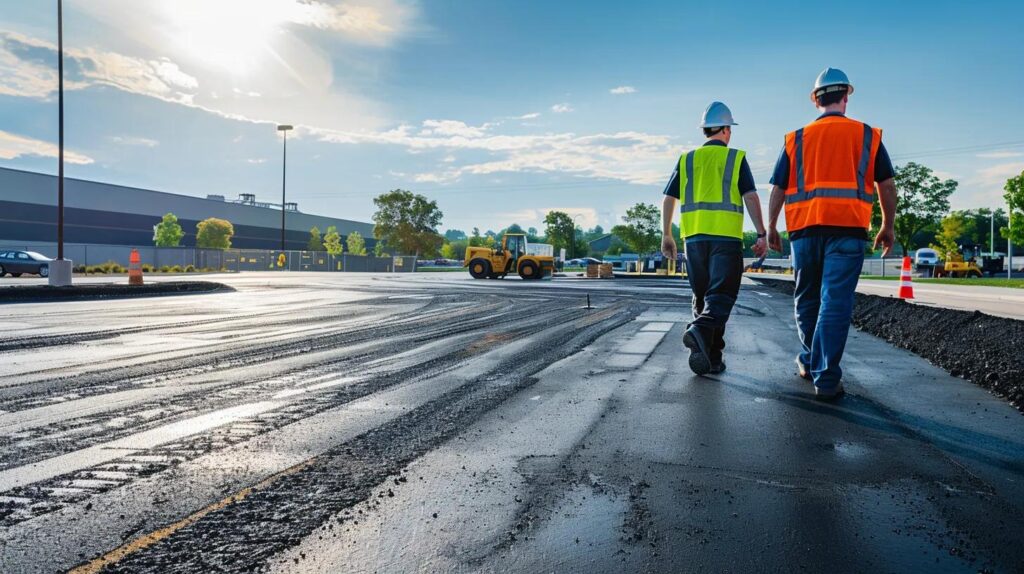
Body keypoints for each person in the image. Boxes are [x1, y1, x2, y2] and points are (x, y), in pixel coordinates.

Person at [766, 68, 897, 399]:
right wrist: (887, 224)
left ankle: (812, 361)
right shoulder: (867, 135)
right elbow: (887, 184)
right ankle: (824, 375)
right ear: (846, 97)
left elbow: (778, 188)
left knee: (807, 299)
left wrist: (770, 227)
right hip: (848, 230)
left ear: (815, 99)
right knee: (834, 302)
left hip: (804, 231)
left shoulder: (795, 139)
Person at [662, 101, 768, 375]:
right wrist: (761, 233)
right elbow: (751, 196)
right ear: (725, 130)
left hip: (694, 239)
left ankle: (712, 357)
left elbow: (669, 197)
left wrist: (666, 235)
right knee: (722, 295)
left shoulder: (687, 160)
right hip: (725, 237)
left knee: (703, 297)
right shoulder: (734, 157)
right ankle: (699, 329)